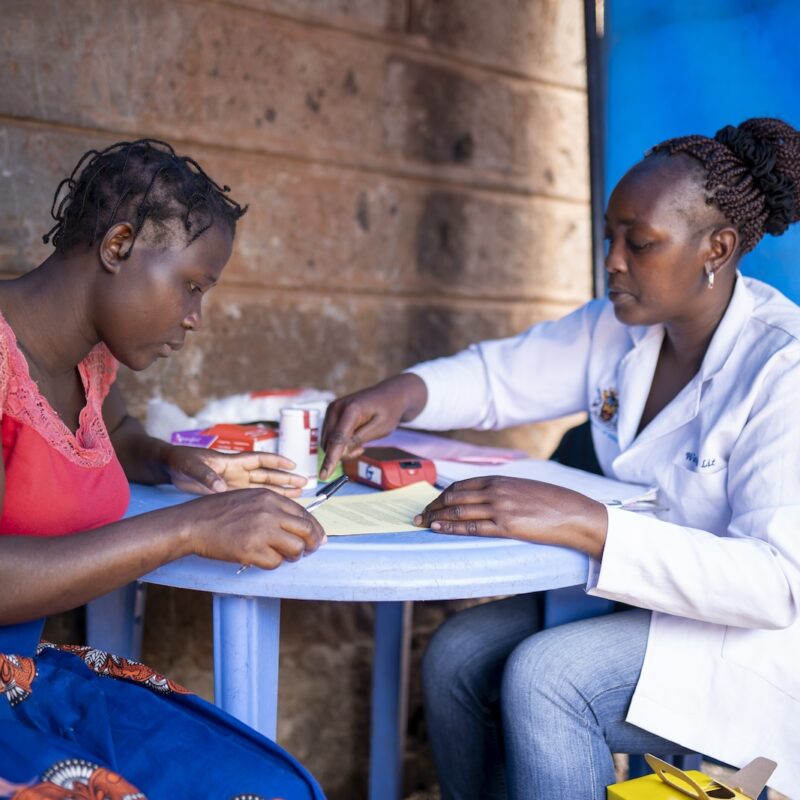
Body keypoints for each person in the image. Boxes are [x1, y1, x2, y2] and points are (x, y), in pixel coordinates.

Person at [319, 117, 800, 799]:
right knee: (456, 657)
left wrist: (590, 524)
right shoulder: (620, 326)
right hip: (643, 598)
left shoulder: (784, 366)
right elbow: (499, 377)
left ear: (716, 249)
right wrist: (403, 393)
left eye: (641, 243)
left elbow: (773, 585)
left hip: (749, 638)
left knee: (548, 676)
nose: (613, 261)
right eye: (610, 236)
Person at [0, 140, 327, 799]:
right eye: (192, 285)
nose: (194, 318)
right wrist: (189, 528)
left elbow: (114, 436)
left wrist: (188, 466)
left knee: (276, 787)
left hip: (22, 678)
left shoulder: (87, 361)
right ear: (119, 246)